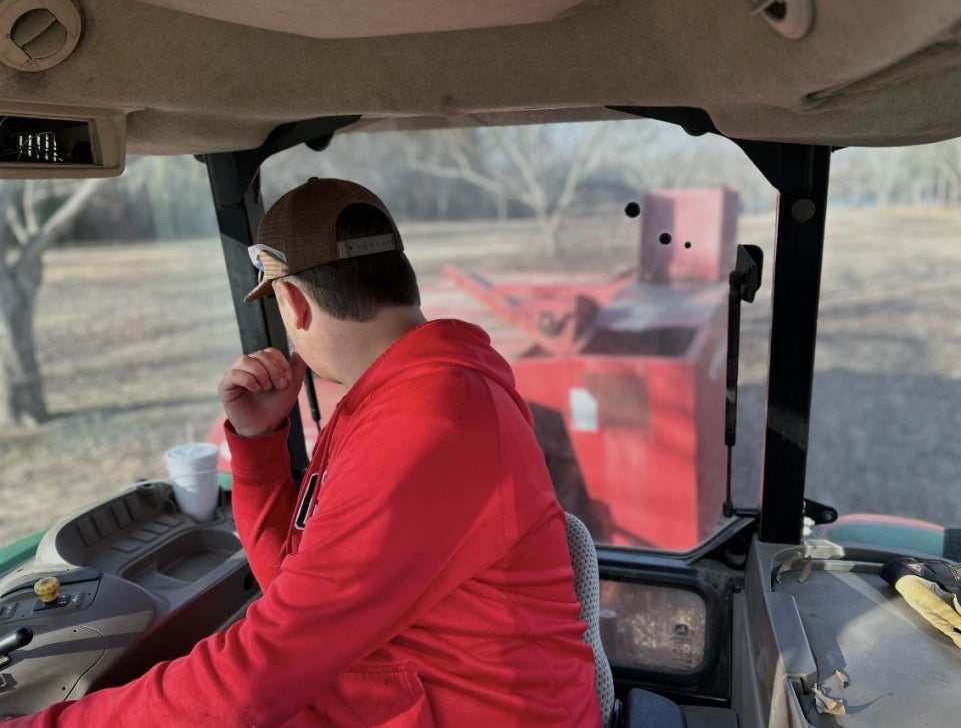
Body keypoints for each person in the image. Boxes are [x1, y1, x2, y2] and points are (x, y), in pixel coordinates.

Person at [12, 178, 601, 727]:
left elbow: (261, 671)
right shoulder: (397, 398)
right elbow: (293, 585)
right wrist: (260, 447)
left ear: (293, 305)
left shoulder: (428, 422)